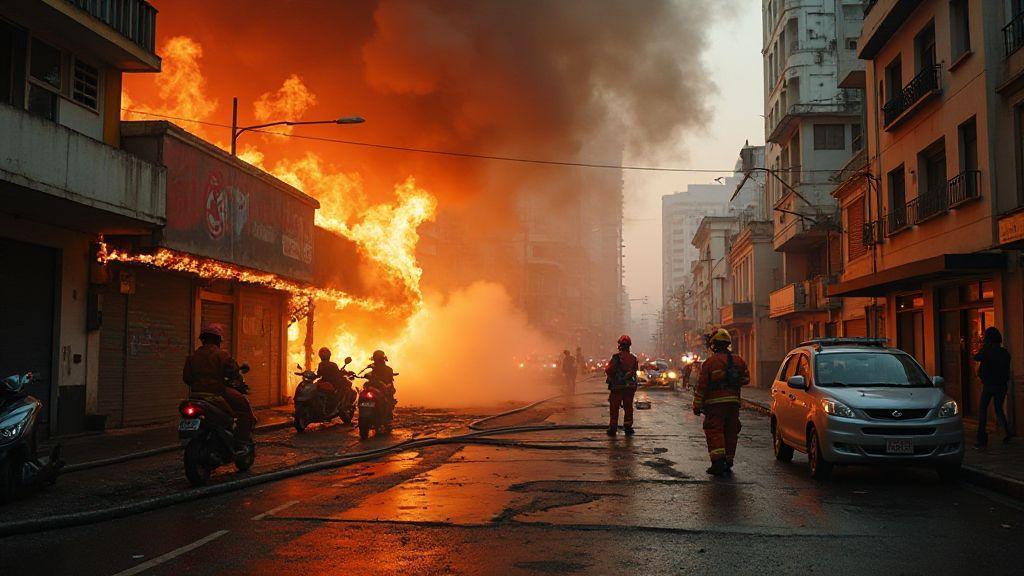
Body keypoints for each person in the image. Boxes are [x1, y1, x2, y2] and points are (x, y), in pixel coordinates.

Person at [182, 324, 256, 443]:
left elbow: (187, 378)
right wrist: (238, 383)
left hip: (196, 394)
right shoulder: (222, 355)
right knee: (244, 410)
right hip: (217, 392)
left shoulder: (192, 356)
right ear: (218, 340)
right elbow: (233, 373)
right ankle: (241, 441)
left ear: (203, 339)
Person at [692, 328, 749, 476]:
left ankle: (717, 463)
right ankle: (728, 461)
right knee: (731, 430)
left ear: (714, 345)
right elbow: (746, 379)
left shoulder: (710, 362)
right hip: (733, 403)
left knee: (714, 430)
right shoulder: (738, 360)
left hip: (715, 405)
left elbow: (702, 386)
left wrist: (697, 405)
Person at [973, 327, 1013, 447]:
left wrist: (984, 347)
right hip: (1001, 386)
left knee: (983, 410)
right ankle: (1007, 432)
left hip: (989, 385)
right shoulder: (1004, 353)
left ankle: (981, 438)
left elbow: (976, 356)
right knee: (999, 409)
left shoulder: (987, 351)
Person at [604, 335, 639, 436]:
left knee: (614, 408)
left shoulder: (616, 357)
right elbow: (634, 370)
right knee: (628, 407)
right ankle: (628, 426)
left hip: (617, 387)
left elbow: (609, 370)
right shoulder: (633, 358)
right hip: (629, 387)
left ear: (620, 345)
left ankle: (613, 428)